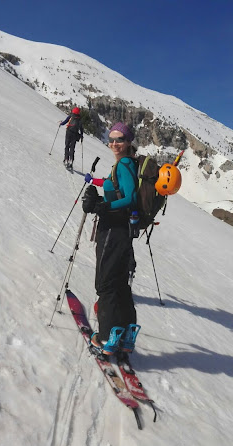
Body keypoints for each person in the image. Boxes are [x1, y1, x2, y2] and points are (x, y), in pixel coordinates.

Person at [82, 122, 140, 355]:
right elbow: (115, 185)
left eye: (120, 139)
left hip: (114, 230)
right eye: (112, 139)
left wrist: (104, 206)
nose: (115, 143)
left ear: (128, 142)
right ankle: (125, 336)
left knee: (105, 283)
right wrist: (94, 183)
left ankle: (106, 338)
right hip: (122, 229)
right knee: (119, 284)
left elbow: (131, 197)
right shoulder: (126, 164)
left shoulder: (125, 164)